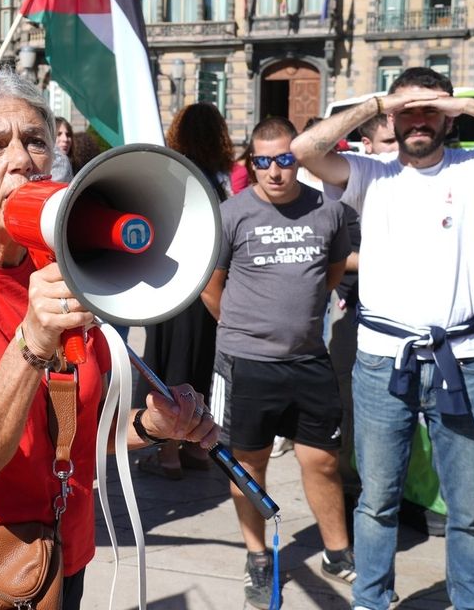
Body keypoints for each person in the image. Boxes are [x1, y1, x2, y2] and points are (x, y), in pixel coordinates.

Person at [0, 69, 218, 608]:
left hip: (62, 560)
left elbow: (74, 432)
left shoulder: (52, 266)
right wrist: (31, 341)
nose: (22, 160)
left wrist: (152, 427)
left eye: (35, 140)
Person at [292, 66, 474, 610]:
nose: (418, 122)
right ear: (393, 117)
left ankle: (470, 602)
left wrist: (466, 104)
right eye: (407, 113)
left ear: (445, 117)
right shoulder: (371, 173)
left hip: (462, 358)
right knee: (377, 499)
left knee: (468, 505)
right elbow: (305, 148)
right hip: (381, 358)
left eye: (429, 112)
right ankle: (371, 599)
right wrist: (379, 102)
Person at [200, 117, 353, 609]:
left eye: (285, 159)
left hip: (309, 358)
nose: (274, 171)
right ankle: (258, 556)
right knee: (247, 464)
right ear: (251, 164)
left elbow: (331, 273)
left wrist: (295, 320)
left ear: (299, 161)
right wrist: (245, 329)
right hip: (245, 365)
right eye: (262, 161)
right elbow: (209, 284)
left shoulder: (329, 211)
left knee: (323, 460)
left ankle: (337, 550)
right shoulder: (231, 214)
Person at [139, 102, 232, 479]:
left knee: (169, 368)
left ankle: (169, 454)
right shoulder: (216, 180)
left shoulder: (173, 174)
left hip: (170, 284)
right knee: (196, 366)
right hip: (203, 284)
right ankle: (194, 448)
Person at [326, 113, 400, 504]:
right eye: (389, 141)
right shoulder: (350, 187)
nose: (398, 149)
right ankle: (350, 482)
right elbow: (334, 253)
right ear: (366, 147)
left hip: (407, 316)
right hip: (353, 309)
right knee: (349, 397)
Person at [52, 117, 77, 182]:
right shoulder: (62, 160)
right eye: (59, 134)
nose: (65, 139)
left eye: (68, 135)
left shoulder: (76, 163)